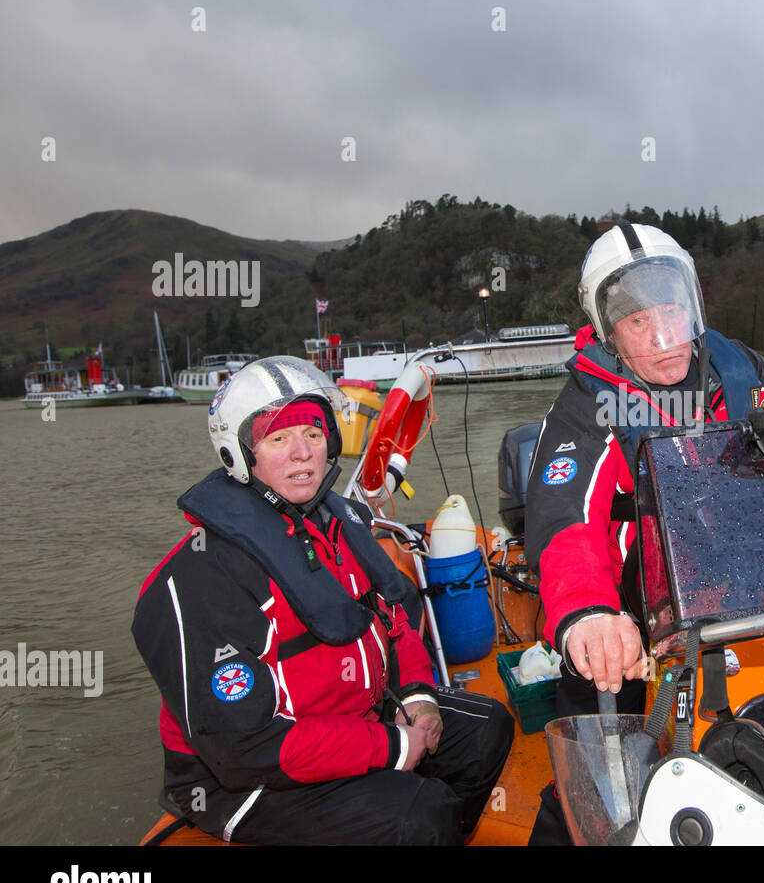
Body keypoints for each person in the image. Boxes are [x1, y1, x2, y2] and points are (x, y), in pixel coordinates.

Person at [132, 356, 513, 845]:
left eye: (312, 435)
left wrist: (419, 701)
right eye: (278, 439)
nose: (302, 454)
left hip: (353, 719)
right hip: (243, 778)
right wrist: (391, 745)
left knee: (486, 731)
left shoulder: (338, 525)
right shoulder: (201, 577)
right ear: (239, 454)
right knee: (418, 815)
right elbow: (244, 746)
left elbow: (394, 621)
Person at [525, 220, 764, 713]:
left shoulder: (742, 369)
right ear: (610, 334)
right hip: (644, 607)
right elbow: (565, 519)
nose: (663, 336)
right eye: (638, 321)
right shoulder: (586, 405)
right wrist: (588, 611)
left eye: (671, 311)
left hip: (755, 578)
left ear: (692, 306)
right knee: (599, 710)